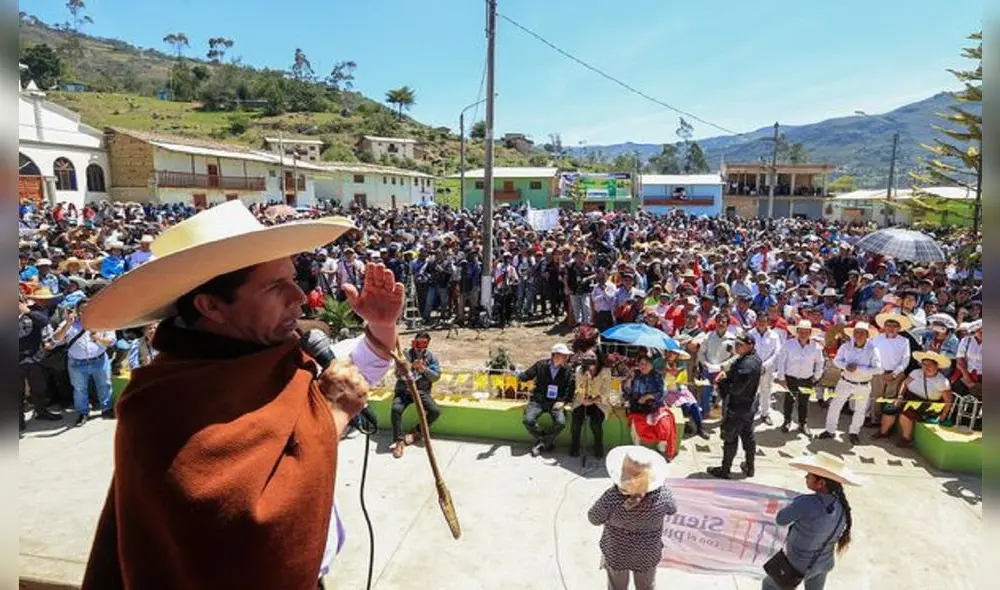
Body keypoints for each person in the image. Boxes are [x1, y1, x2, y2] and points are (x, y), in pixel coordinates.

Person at [79, 201, 403, 589]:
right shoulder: (162, 405)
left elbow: (352, 377)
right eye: (275, 287)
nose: (299, 296)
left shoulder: (275, 357)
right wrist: (332, 415)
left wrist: (382, 326)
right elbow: (247, 532)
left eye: (293, 278)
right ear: (211, 305)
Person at [764, 452, 858, 590]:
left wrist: (794, 504)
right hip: (824, 563)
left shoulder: (806, 503)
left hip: (798, 565)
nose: (806, 477)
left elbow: (781, 519)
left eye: (810, 475)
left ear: (821, 483)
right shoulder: (842, 505)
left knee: (768, 585)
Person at [588, 445, 676, 590]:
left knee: (617, 587)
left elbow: (594, 518)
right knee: (646, 587)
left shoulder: (612, 497)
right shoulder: (663, 496)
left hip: (617, 551)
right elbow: (673, 510)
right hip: (647, 553)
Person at [50, 299, 116, 426]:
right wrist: (67, 325)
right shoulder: (69, 323)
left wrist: (98, 338)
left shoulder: (103, 321)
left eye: (88, 310)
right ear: (76, 311)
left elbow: (111, 342)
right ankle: (82, 413)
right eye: (82, 310)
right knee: (79, 389)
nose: (85, 313)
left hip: (99, 360)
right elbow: (56, 339)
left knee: (105, 385)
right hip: (77, 363)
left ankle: (107, 409)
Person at [708, 333, 762, 479]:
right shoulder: (752, 358)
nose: (737, 347)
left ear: (750, 346)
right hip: (748, 405)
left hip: (738, 406)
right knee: (747, 435)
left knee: (730, 438)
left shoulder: (748, 365)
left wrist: (722, 383)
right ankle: (750, 467)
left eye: (740, 345)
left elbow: (736, 389)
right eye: (736, 344)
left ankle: (725, 470)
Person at [873, 351, 954, 447]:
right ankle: (883, 432)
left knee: (906, 413)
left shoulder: (942, 381)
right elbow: (904, 383)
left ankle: (906, 438)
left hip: (927, 406)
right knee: (889, 408)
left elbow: (948, 401)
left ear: (937, 366)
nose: (926, 367)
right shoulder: (915, 373)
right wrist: (900, 396)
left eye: (930, 365)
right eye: (924, 364)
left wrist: (943, 416)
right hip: (909, 398)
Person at [818, 322, 881, 445]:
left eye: (862, 332)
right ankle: (830, 430)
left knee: (860, 410)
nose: (859, 335)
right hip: (845, 382)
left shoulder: (873, 349)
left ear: (867, 335)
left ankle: (854, 432)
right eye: (857, 332)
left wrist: (858, 369)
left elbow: (878, 369)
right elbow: (837, 361)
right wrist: (846, 366)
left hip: (863, 384)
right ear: (853, 333)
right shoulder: (845, 347)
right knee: (835, 406)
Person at [390, 331, 442, 459]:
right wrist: (408, 369)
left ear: (427, 344)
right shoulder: (405, 355)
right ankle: (399, 441)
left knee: (435, 411)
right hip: (404, 390)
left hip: (421, 391)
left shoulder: (431, 357)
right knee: (396, 409)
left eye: (423, 343)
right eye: (417, 342)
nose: (419, 346)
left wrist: (424, 369)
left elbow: (436, 377)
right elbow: (397, 374)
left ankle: (417, 432)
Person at [518, 343, 576, 457]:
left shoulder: (567, 370)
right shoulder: (541, 365)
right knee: (528, 420)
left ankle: (542, 443)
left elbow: (570, 388)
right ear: (555, 355)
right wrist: (517, 372)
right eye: (564, 355)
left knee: (561, 423)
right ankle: (545, 440)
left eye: (566, 356)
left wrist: (563, 402)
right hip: (538, 400)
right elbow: (526, 376)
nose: (566, 358)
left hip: (556, 402)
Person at [623, 352, 677, 459]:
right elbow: (627, 393)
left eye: (645, 364)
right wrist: (628, 381)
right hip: (638, 408)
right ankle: (637, 449)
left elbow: (662, 393)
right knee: (635, 425)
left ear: (651, 365)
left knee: (664, 425)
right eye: (640, 364)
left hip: (655, 407)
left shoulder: (657, 376)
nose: (642, 366)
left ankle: (661, 449)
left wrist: (648, 396)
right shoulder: (635, 375)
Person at [775, 320, 824, 438]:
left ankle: (803, 424)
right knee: (789, 400)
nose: (803, 334)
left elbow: (820, 362)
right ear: (797, 331)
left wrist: (816, 376)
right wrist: (781, 377)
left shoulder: (816, 347)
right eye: (801, 331)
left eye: (806, 332)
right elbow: (781, 361)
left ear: (810, 333)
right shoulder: (788, 344)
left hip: (806, 378)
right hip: (790, 377)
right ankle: (787, 421)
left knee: (804, 402)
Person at [867, 313, 912, 427]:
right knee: (876, 397)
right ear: (884, 326)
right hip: (878, 373)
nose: (891, 328)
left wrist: (894, 374)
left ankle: (887, 424)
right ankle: (875, 420)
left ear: (899, 328)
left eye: (894, 326)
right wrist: (881, 371)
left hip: (896, 374)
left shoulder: (904, 341)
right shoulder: (876, 338)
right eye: (888, 325)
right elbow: (871, 355)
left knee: (890, 399)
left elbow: (905, 360)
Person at [570, 351, 614, 458]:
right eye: (587, 356)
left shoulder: (606, 371)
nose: (589, 358)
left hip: (599, 402)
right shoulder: (580, 370)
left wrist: (593, 400)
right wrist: (586, 379)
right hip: (582, 400)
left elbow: (606, 392)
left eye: (592, 356)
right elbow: (579, 387)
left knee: (595, 423)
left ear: (598, 358)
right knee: (576, 421)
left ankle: (598, 445)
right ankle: (575, 445)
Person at [663, 348, 708, 439]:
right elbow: (662, 380)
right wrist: (667, 372)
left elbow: (683, 381)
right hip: (667, 391)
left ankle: (700, 428)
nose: (671, 355)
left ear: (677, 355)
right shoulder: (661, 364)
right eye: (669, 352)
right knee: (684, 406)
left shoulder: (681, 365)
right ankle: (683, 426)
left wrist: (677, 374)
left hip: (680, 390)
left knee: (694, 405)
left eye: (674, 353)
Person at [750, 314, 782, 425]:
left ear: (768, 322)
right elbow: (747, 350)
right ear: (756, 321)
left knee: (766, 391)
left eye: (764, 321)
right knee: (751, 391)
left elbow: (777, 352)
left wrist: (765, 365)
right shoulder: (750, 334)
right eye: (759, 320)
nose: (761, 323)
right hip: (752, 367)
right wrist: (756, 365)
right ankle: (749, 413)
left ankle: (765, 414)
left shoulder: (774, 336)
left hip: (767, 369)